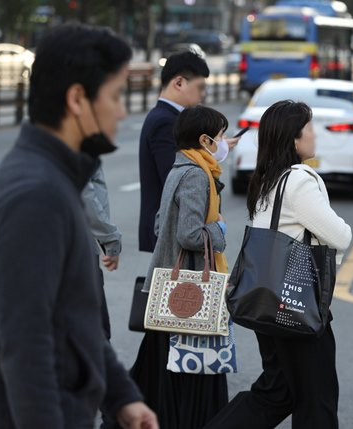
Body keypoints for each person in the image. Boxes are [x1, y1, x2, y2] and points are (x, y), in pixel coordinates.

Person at [0, 24, 157, 428]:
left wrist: (121, 396)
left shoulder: (53, 179)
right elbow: (26, 345)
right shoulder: (38, 195)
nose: (122, 111)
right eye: (115, 96)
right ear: (78, 99)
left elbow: (71, 318)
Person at [205, 100, 352, 429]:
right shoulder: (300, 180)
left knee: (277, 393)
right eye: (310, 128)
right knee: (318, 398)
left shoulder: (269, 178)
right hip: (298, 304)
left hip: (266, 299)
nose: (315, 135)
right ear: (294, 139)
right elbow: (340, 236)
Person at [127, 105, 234, 429]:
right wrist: (220, 231)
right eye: (219, 137)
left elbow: (162, 223)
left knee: (162, 365)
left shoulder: (179, 168)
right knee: (194, 366)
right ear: (204, 140)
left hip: (168, 288)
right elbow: (188, 234)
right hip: (188, 289)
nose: (223, 142)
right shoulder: (195, 175)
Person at [138, 50, 240, 253]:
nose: (203, 94)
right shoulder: (165, 122)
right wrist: (211, 151)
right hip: (175, 231)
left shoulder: (168, 118)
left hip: (177, 228)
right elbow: (178, 178)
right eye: (200, 87)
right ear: (179, 83)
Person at [82, 165, 122, 339]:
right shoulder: (78, 144)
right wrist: (110, 240)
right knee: (94, 331)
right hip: (76, 247)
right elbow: (87, 196)